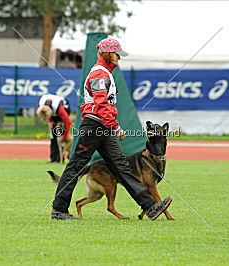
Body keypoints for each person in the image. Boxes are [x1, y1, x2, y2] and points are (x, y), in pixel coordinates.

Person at [50, 38, 172, 220]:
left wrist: (114, 125)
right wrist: (116, 126)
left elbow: (105, 105)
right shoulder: (100, 74)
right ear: (107, 53)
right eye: (116, 54)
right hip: (94, 126)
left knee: (122, 166)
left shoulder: (106, 72)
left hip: (103, 126)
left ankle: (151, 206)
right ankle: (59, 210)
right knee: (76, 166)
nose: (118, 59)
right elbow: (100, 104)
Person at [36, 94, 72, 163]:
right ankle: (53, 158)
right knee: (53, 135)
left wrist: (65, 136)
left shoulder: (60, 109)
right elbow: (44, 113)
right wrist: (50, 121)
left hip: (65, 109)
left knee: (62, 137)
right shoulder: (40, 105)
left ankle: (64, 156)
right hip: (52, 112)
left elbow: (68, 122)